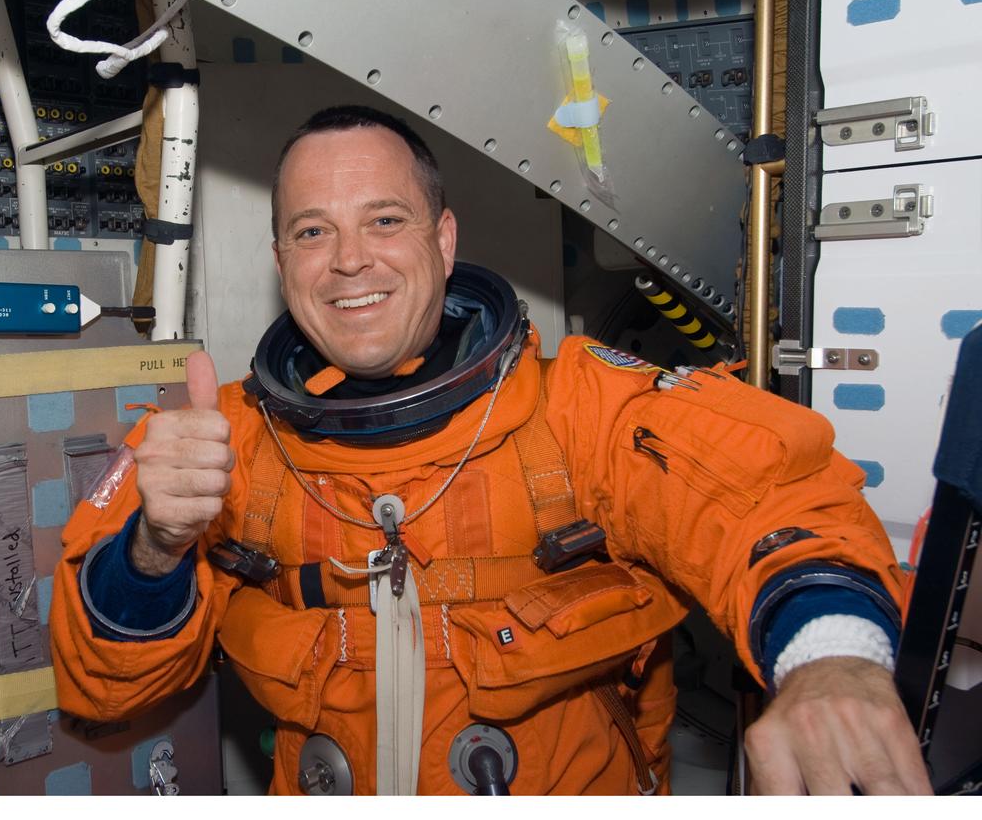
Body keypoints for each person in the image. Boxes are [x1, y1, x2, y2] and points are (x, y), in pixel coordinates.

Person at [50, 105, 932, 795]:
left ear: (443, 240)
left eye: (385, 220)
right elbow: (102, 694)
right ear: (284, 261)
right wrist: (155, 551)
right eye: (313, 231)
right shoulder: (225, 441)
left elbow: (768, 497)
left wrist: (832, 661)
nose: (349, 260)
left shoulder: (574, 411)